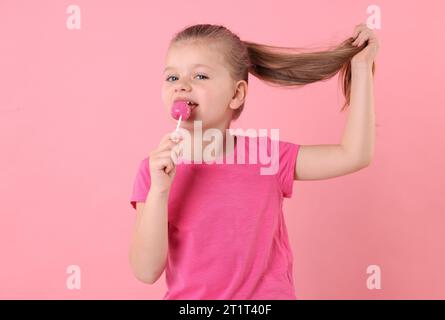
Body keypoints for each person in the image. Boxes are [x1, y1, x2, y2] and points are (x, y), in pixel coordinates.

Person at [129, 23, 379, 299]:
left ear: (236, 94)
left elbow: (354, 155)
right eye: (172, 78)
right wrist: (160, 191)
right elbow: (146, 271)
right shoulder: (154, 171)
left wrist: (360, 70)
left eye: (200, 75)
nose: (182, 86)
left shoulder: (266, 157)